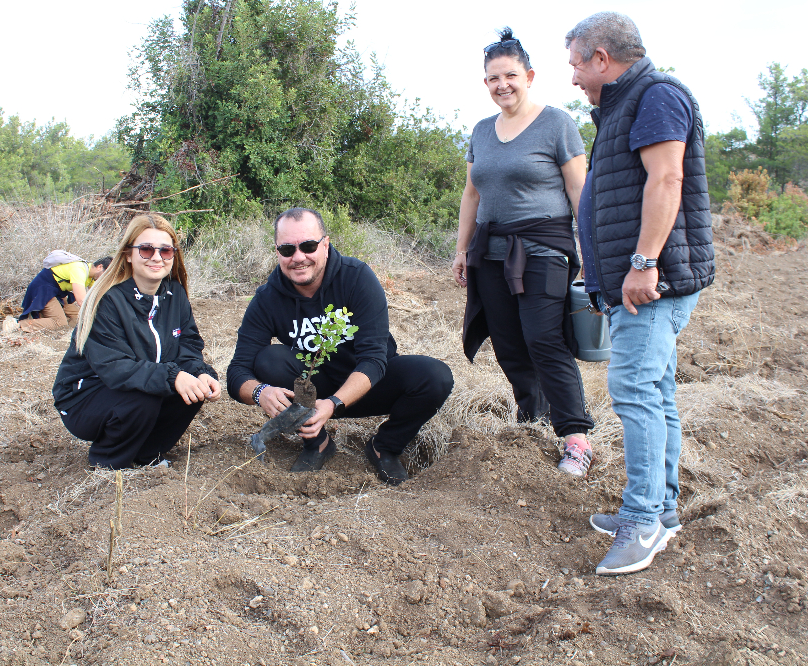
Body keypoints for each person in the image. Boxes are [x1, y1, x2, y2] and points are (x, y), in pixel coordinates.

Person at [565, 12, 714, 575]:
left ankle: (642, 521)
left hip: (654, 282)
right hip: (640, 280)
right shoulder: (625, 106)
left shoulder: (656, 94)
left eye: (577, 64)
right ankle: (663, 511)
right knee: (656, 390)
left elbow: (666, 179)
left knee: (633, 391)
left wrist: (642, 263)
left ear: (602, 58)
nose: (574, 77)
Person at [453, 28, 595, 477]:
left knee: (543, 338)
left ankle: (576, 437)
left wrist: (590, 252)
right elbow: (472, 194)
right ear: (485, 83)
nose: (502, 85)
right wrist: (461, 249)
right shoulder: (481, 131)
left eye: (510, 75)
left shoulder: (556, 123)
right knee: (510, 344)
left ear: (529, 76)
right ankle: (532, 418)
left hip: (545, 248)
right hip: (491, 251)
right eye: (493, 78)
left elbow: (580, 190)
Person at [226, 207, 454, 485]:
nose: (298, 257)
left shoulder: (356, 278)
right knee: (269, 360)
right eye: (287, 249)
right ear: (277, 252)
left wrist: (334, 404)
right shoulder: (267, 298)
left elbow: (374, 359)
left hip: (368, 385)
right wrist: (260, 392)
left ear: (325, 244)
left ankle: (386, 446)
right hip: (312, 390)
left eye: (308, 246)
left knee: (435, 376)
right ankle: (317, 443)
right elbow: (237, 371)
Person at [52, 214, 221, 469]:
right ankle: (109, 463)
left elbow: (188, 346)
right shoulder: (107, 301)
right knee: (146, 395)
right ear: (128, 254)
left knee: (190, 390)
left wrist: (200, 372)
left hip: (133, 388)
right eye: (146, 249)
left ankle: (147, 456)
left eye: (165, 250)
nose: (156, 257)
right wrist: (173, 376)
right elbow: (115, 367)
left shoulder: (175, 295)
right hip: (84, 397)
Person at [18, 253, 112, 332]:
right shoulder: (79, 269)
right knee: (60, 323)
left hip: (57, 293)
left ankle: (45, 320)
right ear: (100, 267)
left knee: (79, 318)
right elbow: (81, 301)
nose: (106, 279)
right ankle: (19, 325)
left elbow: (96, 297)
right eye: (107, 275)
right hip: (43, 291)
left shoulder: (92, 277)